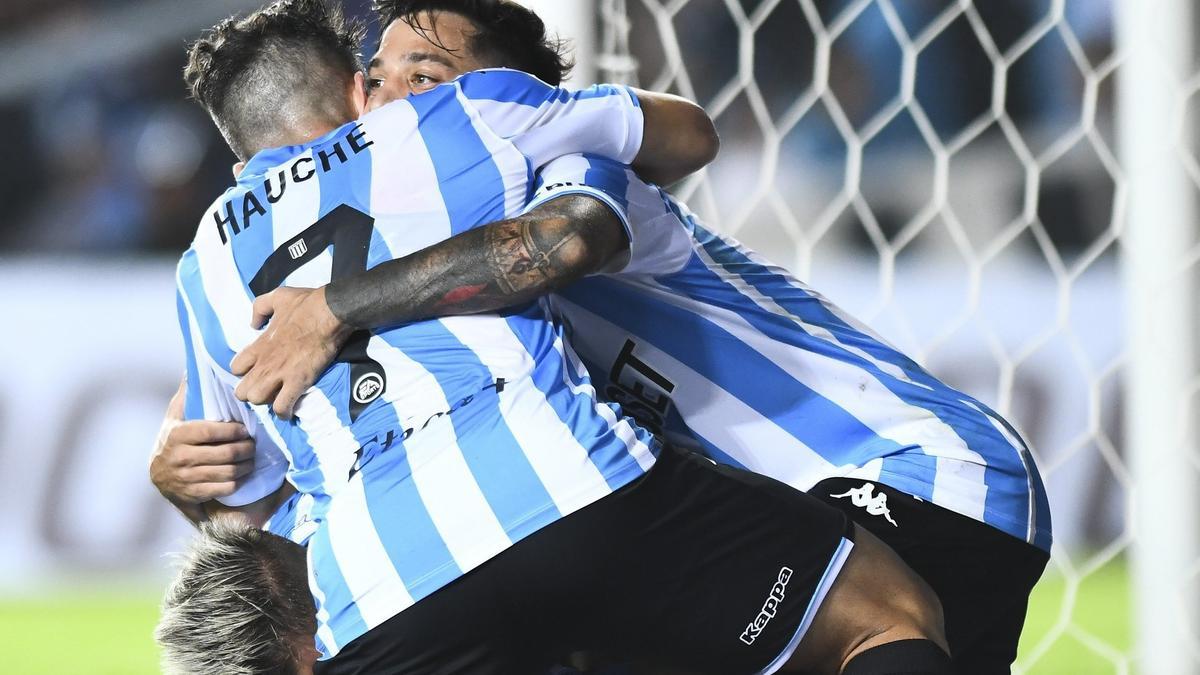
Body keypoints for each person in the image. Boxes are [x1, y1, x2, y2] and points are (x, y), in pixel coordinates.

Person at [157, 2, 1051, 673]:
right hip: (706, 508)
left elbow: (563, 239)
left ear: (523, 102)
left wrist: (338, 303)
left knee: (878, 617)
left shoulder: (572, 168)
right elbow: (277, 475)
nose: (391, 103)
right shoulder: (385, 200)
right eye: (377, 79)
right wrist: (187, 474)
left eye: (426, 79)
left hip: (902, 469)